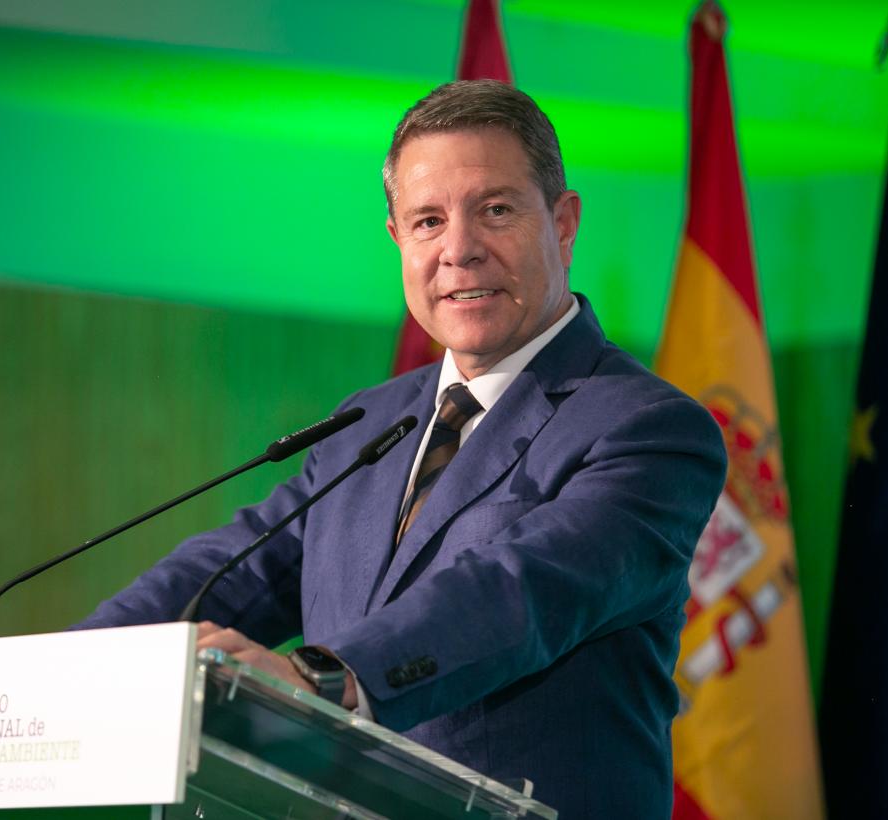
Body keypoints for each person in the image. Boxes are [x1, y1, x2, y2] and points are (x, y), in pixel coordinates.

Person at [74, 80, 727, 818]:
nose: (459, 250)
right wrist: (56, 673)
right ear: (397, 238)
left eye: (496, 210)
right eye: (428, 221)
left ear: (563, 221)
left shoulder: (651, 429)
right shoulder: (367, 422)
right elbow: (231, 572)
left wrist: (323, 677)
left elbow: (521, 589)